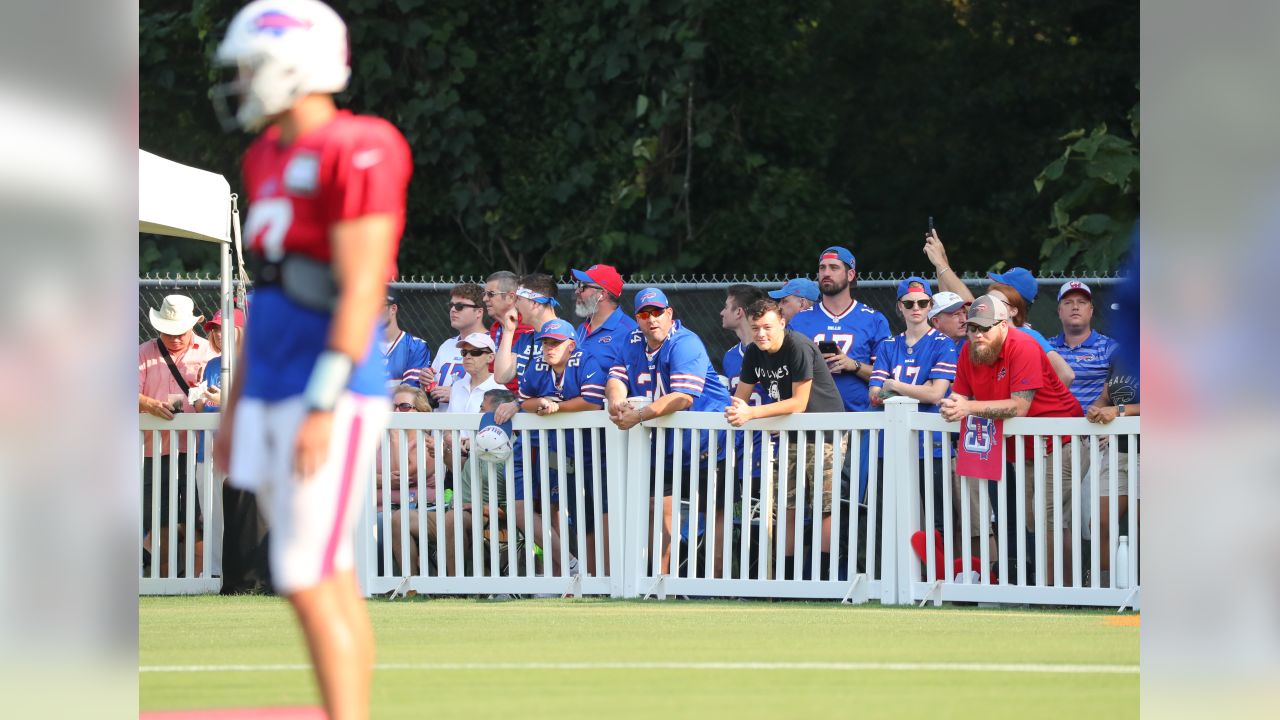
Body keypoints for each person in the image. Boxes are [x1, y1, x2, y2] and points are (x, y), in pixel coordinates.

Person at [210, 2, 413, 717]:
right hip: (268, 381)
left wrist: (323, 402)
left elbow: (361, 288)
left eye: (250, 66)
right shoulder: (263, 154)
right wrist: (234, 404)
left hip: (327, 387)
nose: (240, 82)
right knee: (322, 575)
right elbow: (263, 299)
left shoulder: (361, 144)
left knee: (303, 571)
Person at [939, 296, 1082, 585]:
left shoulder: (1024, 345)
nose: (978, 335)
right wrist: (951, 405)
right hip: (1023, 447)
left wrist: (966, 409)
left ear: (1003, 325)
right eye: (972, 328)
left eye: (985, 328)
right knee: (1033, 522)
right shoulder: (969, 351)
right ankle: (1050, 591)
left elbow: (1020, 407)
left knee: (1048, 521)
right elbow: (960, 396)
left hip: (1061, 440)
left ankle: (1060, 595)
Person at [605, 288, 732, 576]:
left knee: (715, 514)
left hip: (708, 443)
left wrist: (637, 415)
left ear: (670, 314)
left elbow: (682, 398)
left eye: (657, 312)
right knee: (658, 509)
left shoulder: (685, 342)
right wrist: (616, 401)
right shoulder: (633, 340)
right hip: (668, 447)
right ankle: (658, 585)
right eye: (644, 314)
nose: (652, 319)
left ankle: (719, 587)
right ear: (637, 319)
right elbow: (616, 378)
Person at [724, 299, 844, 578]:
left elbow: (799, 402)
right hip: (790, 431)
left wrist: (753, 414)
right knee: (786, 504)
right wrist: (736, 411)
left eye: (767, 327)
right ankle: (787, 576)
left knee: (823, 505)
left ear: (782, 323)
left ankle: (825, 577)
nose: (761, 334)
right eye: (755, 328)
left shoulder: (798, 346)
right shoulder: (754, 351)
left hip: (824, 430)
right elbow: (740, 399)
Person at [922, 229, 1075, 386]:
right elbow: (948, 300)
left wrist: (1043, 406)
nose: (992, 292)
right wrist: (941, 258)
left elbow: (1066, 374)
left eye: (1000, 288)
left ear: (1013, 304)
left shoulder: (1027, 335)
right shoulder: (991, 329)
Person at [516, 318, 608, 574]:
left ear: (571, 345)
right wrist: (544, 403)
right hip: (555, 449)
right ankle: (559, 575)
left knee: (590, 514)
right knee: (550, 507)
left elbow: (592, 402)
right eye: (545, 342)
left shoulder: (585, 360)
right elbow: (524, 401)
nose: (549, 348)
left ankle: (597, 574)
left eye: (555, 342)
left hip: (593, 451)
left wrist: (557, 407)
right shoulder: (537, 365)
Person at [139, 294, 217, 578]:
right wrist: (149, 404)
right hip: (155, 450)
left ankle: (196, 579)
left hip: (199, 450)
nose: (173, 339)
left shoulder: (209, 352)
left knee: (197, 519)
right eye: (167, 333)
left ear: (192, 326)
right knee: (159, 518)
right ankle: (161, 580)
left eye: (179, 333)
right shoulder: (143, 352)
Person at [788, 246, 890, 415]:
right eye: (822, 268)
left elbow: (888, 376)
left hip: (860, 421)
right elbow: (783, 370)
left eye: (834, 267)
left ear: (850, 275)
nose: (826, 273)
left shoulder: (873, 320)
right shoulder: (799, 320)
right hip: (811, 422)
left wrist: (853, 365)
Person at [193, 307, 247, 579]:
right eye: (214, 330)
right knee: (212, 514)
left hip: (244, 452)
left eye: (222, 328)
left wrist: (219, 401)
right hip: (209, 451)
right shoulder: (213, 365)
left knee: (243, 515)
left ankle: (244, 572)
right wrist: (209, 402)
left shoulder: (253, 363)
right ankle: (215, 572)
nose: (217, 335)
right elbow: (202, 405)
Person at [1084, 359, 1140, 586]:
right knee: (1099, 522)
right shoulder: (1122, 354)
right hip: (1118, 449)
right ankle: (1104, 586)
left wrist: (1119, 411)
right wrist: (1097, 407)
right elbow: (1106, 396)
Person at [376, 385, 437, 577]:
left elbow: (401, 476)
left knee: (376, 525)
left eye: (403, 407)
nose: (396, 412)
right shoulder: (377, 441)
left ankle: (384, 582)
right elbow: (360, 475)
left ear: (420, 412)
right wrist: (383, 480)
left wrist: (395, 438)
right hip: (375, 507)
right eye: (392, 407)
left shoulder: (427, 443)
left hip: (413, 510)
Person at [1049, 281, 1119, 413]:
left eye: (1082, 302)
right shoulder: (1046, 348)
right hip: (1055, 429)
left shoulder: (1109, 348)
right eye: (1068, 302)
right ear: (1059, 311)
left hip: (1095, 429)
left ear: (1091, 310)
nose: (1075, 307)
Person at [493, 273, 561, 387]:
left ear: (534, 303)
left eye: (518, 299)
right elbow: (501, 377)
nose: (515, 305)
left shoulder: (563, 336)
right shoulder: (526, 338)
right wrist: (508, 331)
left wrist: (519, 404)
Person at [427, 283, 487, 407]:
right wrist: (426, 382)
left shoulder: (492, 345)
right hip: (441, 423)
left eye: (460, 306)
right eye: (451, 305)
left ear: (479, 312)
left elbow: (496, 390)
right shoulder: (447, 345)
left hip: (470, 424)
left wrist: (456, 394)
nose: (453, 310)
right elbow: (435, 387)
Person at [571, 263, 637, 373]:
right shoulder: (581, 329)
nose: (577, 291)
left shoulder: (631, 332)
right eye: (578, 285)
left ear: (602, 294)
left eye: (583, 287)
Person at [484, 270, 535, 393]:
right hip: (493, 393)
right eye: (484, 294)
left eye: (491, 294)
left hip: (519, 399)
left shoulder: (528, 328)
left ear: (511, 297)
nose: (485, 299)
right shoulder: (496, 327)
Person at [380, 287, 432, 393]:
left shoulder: (416, 346)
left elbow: (409, 389)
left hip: (401, 409)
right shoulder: (360, 345)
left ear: (393, 309)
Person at [443, 332, 505, 414]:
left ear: (490, 357)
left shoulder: (501, 389)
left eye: (475, 352)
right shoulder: (457, 386)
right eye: (464, 352)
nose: (467, 356)